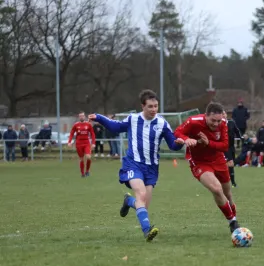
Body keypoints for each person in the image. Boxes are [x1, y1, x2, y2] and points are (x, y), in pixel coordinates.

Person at [89, 89, 184, 241]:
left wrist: (179, 144)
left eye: (156, 106)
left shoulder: (161, 123)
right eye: (150, 106)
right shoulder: (133, 119)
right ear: (143, 106)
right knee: (141, 194)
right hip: (133, 164)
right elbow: (115, 127)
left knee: (143, 204)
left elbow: (173, 144)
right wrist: (99, 118)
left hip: (152, 168)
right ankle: (147, 231)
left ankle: (128, 201)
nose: (154, 109)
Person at [174, 102, 242, 233]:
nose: (216, 124)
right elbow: (177, 132)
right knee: (216, 189)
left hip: (218, 160)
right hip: (200, 162)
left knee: (227, 194)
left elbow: (224, 146)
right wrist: (186, 139)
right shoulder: (193, 122)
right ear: (206, 116)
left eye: (218, 121)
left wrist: (208, 143)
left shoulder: (223, 124)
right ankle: (233, 222)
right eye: (213, 120)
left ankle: (234, 219)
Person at [68, 111, 96, 177]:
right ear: (79, 117)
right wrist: (69, 142)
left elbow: (92, 134)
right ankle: (82, 173)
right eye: (80, 116)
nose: (81, 117)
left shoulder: (88, 124)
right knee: (81, 158)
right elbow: (71, 133)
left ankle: (87, 171)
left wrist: (93, 143)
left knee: (88, 157)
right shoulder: (76, 125)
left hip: (86, 143)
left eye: (82, 116)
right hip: (79, 144)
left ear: (84, 116)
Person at [224, 111, 241, 187]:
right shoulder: (219, 124)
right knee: (230, 164)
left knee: (231, 164)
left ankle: (232, 182)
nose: (223, 115)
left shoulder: (231, 123)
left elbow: (237, 131)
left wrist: (240, 137)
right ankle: (232, 182)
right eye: (221, 114)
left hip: (231, 147)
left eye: (224, 113)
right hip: (224, 147)